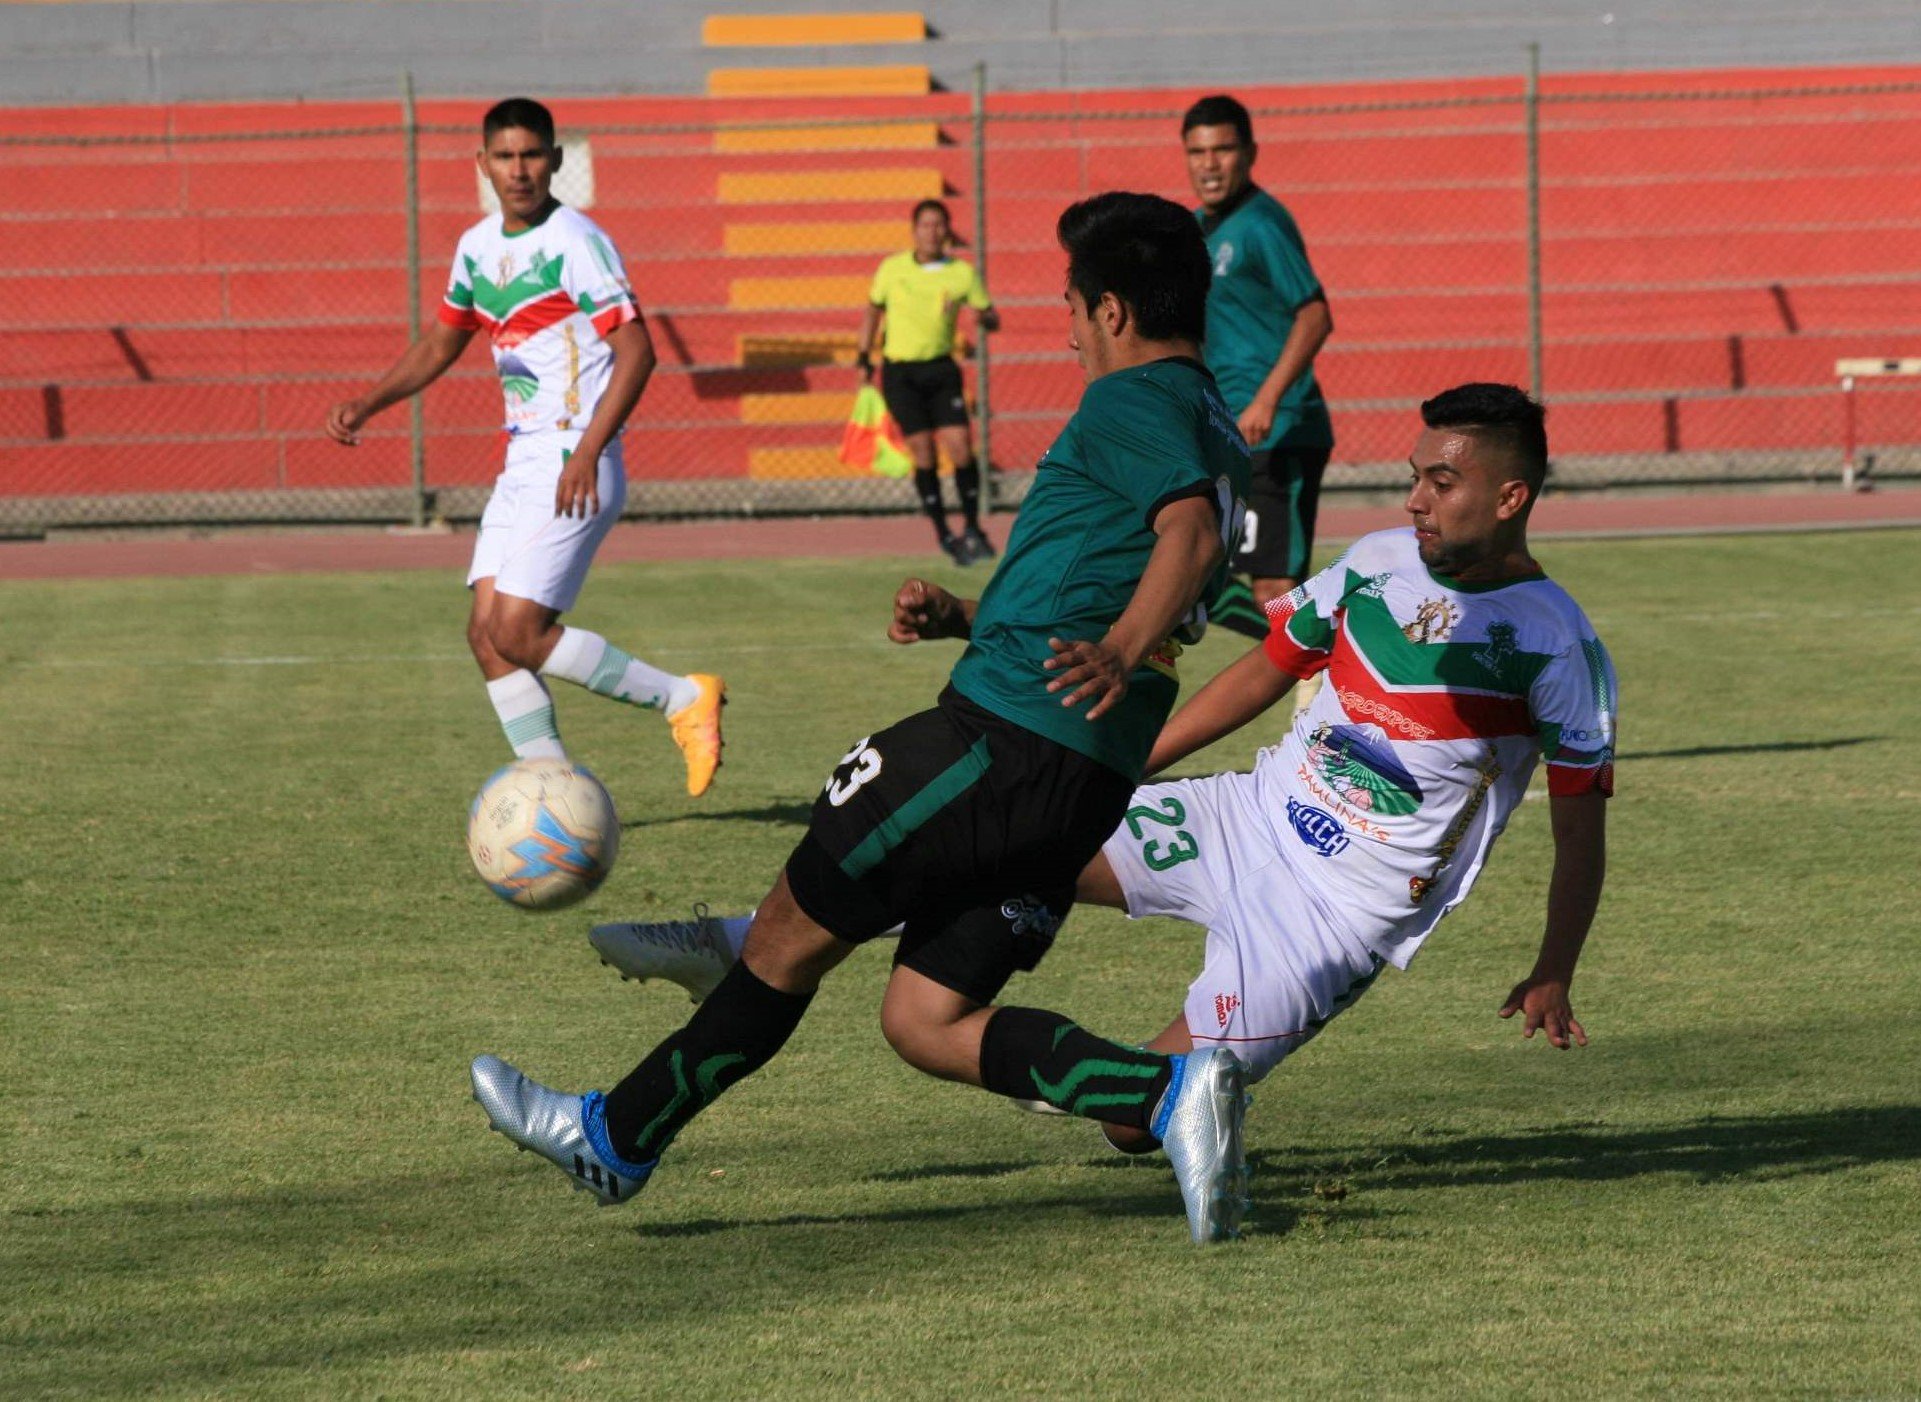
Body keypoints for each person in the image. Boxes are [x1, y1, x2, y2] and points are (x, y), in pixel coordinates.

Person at [471, 192, 1258, 1244]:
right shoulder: (1209, 415)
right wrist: (971, 617)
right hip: (1077, 781)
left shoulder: (1133, 401)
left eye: (1071, 307)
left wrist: (1113, 652)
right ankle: (1167, 1095)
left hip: (1001, 743)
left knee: (789, 940)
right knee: (923, 1018)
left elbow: (1189, 538)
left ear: (1112, 310)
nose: (1066, 329)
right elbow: (1131, 571)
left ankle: (615, 1134)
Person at [592, 384, 1616, 1160]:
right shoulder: (1379, 558)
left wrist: (1554, 963)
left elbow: (1581, 830)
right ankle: (735, 941)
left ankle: (777, 954)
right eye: (1415, 477)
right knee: (1016, 842)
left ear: (1511, 494)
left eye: (1443, 482)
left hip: (1336, 915)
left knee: (1144, 1122)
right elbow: (1263, 671)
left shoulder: (1556, 646)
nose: (1417, 499)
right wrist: (1117, 775)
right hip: (1243, 817)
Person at [325, 97, 725, 796]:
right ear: (481, 164)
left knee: (516, 630)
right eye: (505, 157)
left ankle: (682, 699)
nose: (519, 170)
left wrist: (586, 451)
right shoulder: (477, 248)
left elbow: (637, 352)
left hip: (575, 454)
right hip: (522, 458)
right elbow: (442, 341)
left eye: (532, 155)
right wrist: (369, 400)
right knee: (485, 636)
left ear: (556, 161)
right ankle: (550, 788)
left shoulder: (576, 240)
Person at [1183, 94, 1336, 641]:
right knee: (1205, 576)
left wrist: (1267, 398)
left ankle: (1340, 668)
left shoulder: (1261, 224)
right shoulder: (1201, 229)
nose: (1209, 163)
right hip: (1230, 428)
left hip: (1281, 427)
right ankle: (1327, 662)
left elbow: (1315, 315)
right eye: (1197, 151)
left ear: (1249, 153)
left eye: (1222, 149)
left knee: (1273, 588)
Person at [855, 199, 1000, 567]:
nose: (932, 232)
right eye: (925, 225)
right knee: (923, 452)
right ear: (914, 230)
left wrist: (987, 317)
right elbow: (873, 311)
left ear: (948, 230)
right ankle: (942, 532)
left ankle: (971, 526)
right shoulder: (892, 269)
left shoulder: (961, 274)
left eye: (939, 225)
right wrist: (863, 357)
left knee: (961, 447)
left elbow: (987, 312)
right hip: (901, 372)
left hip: (941, 369)